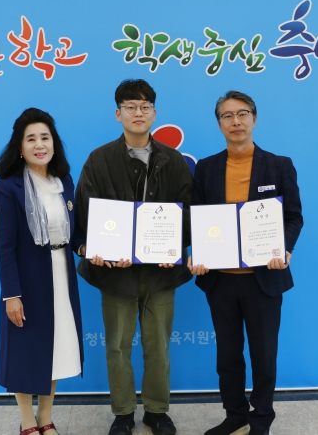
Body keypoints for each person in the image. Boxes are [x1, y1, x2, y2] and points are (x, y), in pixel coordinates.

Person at [71, 79, 193, 435]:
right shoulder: (99, 160)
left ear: (154, 114)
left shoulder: (173, 160)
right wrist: (94, 250)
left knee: (159, 347)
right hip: (116, 275)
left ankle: (156, 411)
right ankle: (123, 412)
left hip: (161, 274)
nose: (137, 113)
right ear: (118, 114)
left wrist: (175, 248)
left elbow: (188, 212)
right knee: (117, 346)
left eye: (144, 107)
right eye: (130, 107)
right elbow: (84, 216)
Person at [188, 91, 303, 435]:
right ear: (219, 123)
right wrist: (197, 252)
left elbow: (293, 217)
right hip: (220, 279)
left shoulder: (279, 165)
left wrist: (285, 249)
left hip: (263, 278)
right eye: (227, 115)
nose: (235, 121)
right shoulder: (207, 168)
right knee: (228, 354)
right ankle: (235, 414)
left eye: (242, 114)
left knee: (264, 355)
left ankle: (261, 419)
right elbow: (197, 217)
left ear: (254, 118)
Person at [0, 107, 83, 435]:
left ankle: (46, 417)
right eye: (30, 139)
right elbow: (5, 247)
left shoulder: (64, 182)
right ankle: (27, 421)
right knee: (25, 350)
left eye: (45, 137)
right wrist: (11, 295)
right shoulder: (8, 187)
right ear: (20, 147)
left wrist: (86, 248)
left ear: (54, 144)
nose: (39, 144)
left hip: (61, 274)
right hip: (27, 280)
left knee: (54, 348)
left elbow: (75, 232)